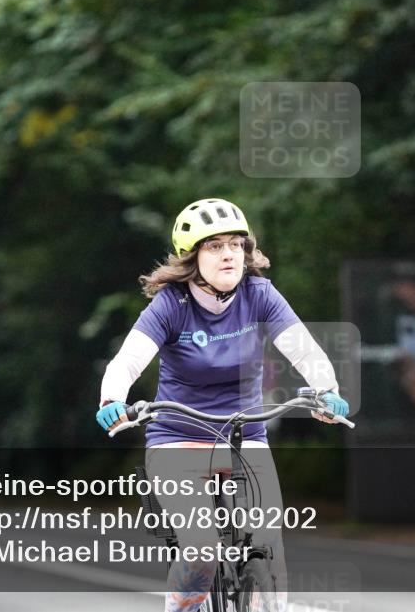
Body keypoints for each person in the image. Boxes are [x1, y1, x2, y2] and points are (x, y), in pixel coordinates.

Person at [96, 197, 349, 612]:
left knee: (269, 546)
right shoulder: (171, 304)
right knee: (202, 551)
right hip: (178, 437)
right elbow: (127, 361)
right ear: (192, 257)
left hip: (244, 434)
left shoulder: (259, 294)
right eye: (214, 246)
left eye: (235, 244)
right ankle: (182, 606)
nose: (229, 254)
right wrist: (113, 400)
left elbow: (304, 351)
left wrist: (327, 391)